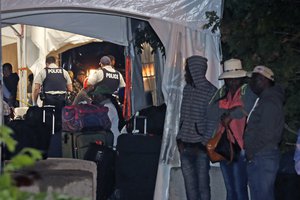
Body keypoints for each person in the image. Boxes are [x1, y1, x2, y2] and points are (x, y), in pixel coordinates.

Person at [209, 58, 257, 200]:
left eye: (235, 79)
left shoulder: (248, 91)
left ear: (242, 77)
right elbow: (210, 112)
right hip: (224, 145)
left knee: (239, 188)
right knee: (230, 189)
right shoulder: (222, 92)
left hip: (240, 146)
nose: (232, 82)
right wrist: (233, 110)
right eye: (229, 79)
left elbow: (247, 108)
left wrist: (229, 113)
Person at [176, 55, 217, 200]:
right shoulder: (187, 89)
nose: (186, 73)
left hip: (200, 147)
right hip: (185, 145)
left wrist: (203, 143)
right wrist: (179, 138)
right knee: (190, 188)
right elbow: (183, 116)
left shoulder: (210, 91)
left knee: (203, 187)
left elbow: (212, 121)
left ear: (195, 70)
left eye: (187, 70)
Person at [244, 66, 285, 200]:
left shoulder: (270, 101)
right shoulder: (265, 99)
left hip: (263, 155)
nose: (251, 83)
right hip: (261, 155)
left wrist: (251, 151)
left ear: (264, 80)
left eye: (254, 79)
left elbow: (267, 133)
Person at [32, 56, 73, 157]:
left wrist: (34, 102)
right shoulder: (64, 72)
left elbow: (36, 88)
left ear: (47, 63)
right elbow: (70, 88)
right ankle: (61, 145)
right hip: (62, 102)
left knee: (48, 126)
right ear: (56, 62)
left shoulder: (43, 72)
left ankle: (48, 146)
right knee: (60, 124)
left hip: (49, 102)